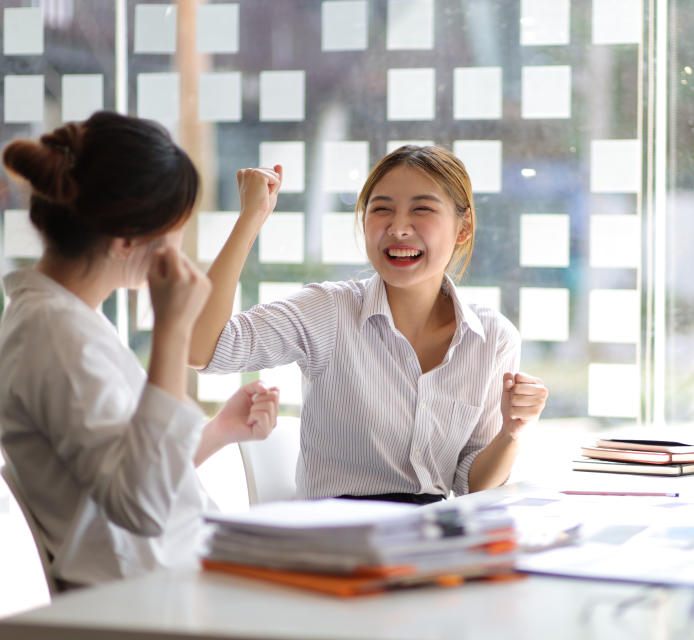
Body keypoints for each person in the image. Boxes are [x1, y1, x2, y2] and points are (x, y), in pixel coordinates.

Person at [0, 112, 280, 587]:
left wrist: (216, 432)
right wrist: (172, 329)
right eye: (176, 227)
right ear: (127, 239)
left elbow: (123, 471)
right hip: (148, 601)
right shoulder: (54, 336)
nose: (180, 245)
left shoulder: (70, 320)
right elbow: (140, 506)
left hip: (175, 579)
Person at [189, 145, 548, 504]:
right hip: (337, 541)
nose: (398, 228)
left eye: (421, 209)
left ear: (463, 228)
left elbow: (474, 487)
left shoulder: (492, 338)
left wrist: (511, 433)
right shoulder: (328, 311)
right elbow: (201, 350)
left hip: (430, 539)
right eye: (381, 210)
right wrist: (251, 218)